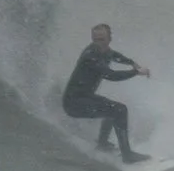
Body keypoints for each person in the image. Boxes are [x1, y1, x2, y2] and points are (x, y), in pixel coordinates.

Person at [63, 23, 153, 163]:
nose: (98, 43)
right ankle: (127, 155)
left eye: (102, 40)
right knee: (119, 110)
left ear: (109, 39)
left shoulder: (105, 51)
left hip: (84, 97)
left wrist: (131, 62)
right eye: (95, 40)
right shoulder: (91, 55)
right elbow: (111, 75)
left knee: (111, 108)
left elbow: (114, 55)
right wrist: (136, 72)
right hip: (73, 103)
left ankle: (102, 144)